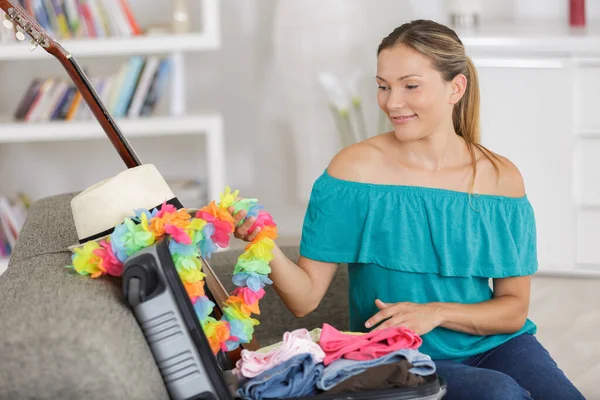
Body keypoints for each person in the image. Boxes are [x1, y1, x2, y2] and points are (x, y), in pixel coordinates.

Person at [229, 19, 585, 400]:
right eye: (383, 86)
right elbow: (304, 300)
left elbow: (513, 309)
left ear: (456, 87)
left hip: (500, 346)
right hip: (398, 356)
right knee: (500, 395)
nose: (392, 102)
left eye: (410, 86)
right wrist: (262, 243)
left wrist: (435, 312)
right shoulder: (352, 172)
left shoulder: (500, 179)